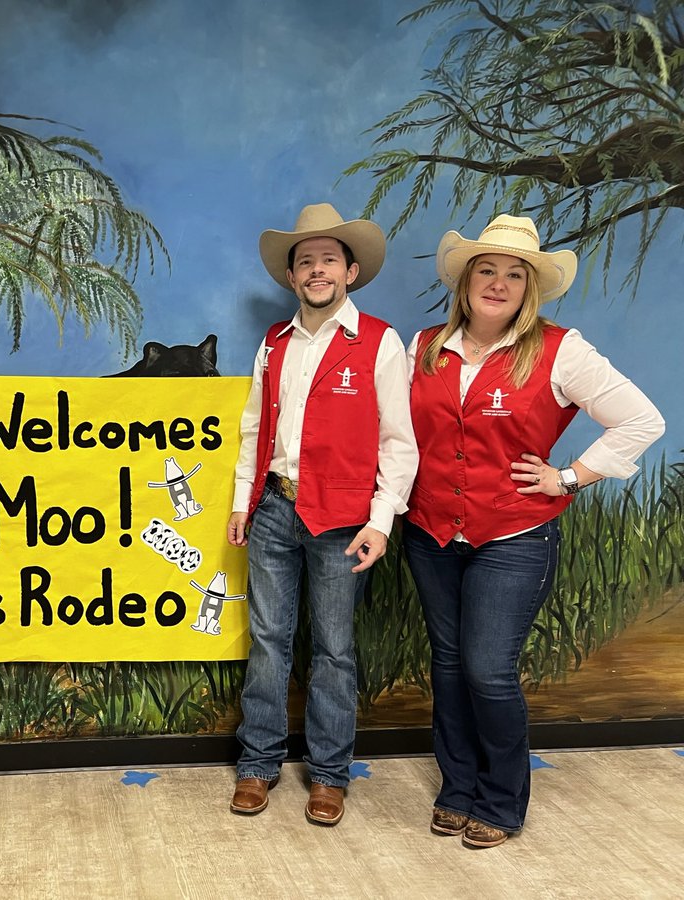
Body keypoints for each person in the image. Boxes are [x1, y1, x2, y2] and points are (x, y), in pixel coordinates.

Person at [403, 214, 664, 849]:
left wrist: (570, 476)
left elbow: (641, 420)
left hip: (514, 535)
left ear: (529, 288)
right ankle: (457, 786)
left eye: (513, 274)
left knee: (489, 670)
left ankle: (500, 798)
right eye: (485, 270)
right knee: (448, 663)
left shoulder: (560, 349)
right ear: (464, 283)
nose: (497, 283)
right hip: (431, 530)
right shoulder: (425, 346)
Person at [228, 203, 418, 824]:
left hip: (343, 517)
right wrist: (241, 502)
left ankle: (330, 775)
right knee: (267, 640)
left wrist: (381, 519)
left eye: (328, 260)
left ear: (351, 271)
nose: (317, 270)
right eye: (305, 260)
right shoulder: (274, 344)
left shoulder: (380, 342)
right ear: (291, 277)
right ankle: (258, 764)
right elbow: (255, 427)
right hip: (275, 511)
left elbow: (398, 441)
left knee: (335, 648)